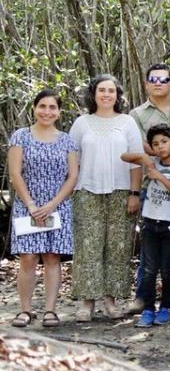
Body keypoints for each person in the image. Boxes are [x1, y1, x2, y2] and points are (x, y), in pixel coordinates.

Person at [69, 75, 142, 321]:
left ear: (117, 95)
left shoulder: (127, 122)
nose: (106, 94)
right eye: (102, 90)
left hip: (121, 192)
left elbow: (136, 161)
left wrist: (134, 193)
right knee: (88, 247)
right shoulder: (82, 123)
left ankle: (111, 301)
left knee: (118, 247)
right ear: (94, 94)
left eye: (111, 90)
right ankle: (87, 303)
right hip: (86, 191)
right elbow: (72, 160)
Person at [8, 90, 79, 328]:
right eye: (43, 106)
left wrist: (51, 205)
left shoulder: (67, 140)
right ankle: (25, 310)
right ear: (35, 108)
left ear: (58, 112)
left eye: (52, 107)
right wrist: (31, 204)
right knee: (28, 258)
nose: (47, 112)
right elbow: (15, 173)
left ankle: (50, 310)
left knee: (52, 256)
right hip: (27, 205)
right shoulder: (21, 136)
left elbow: (72, 176)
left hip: (57, 206)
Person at [122, 124, 170, 327]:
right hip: (149, 222)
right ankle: (148, 309)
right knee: (149, 269)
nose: (160, 147)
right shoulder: (152, 163)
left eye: (164, 142)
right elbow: (124, 156)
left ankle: (165, 307)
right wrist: (145, 158)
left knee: (166, 270)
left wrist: (160, 177)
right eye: (155, 144)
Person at [130, 63, 170, 152]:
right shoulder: (136, 114)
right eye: (153, 80)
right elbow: (140, 145)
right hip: (154, 165)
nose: (158, 83)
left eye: (163, 80)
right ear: (146, 84)